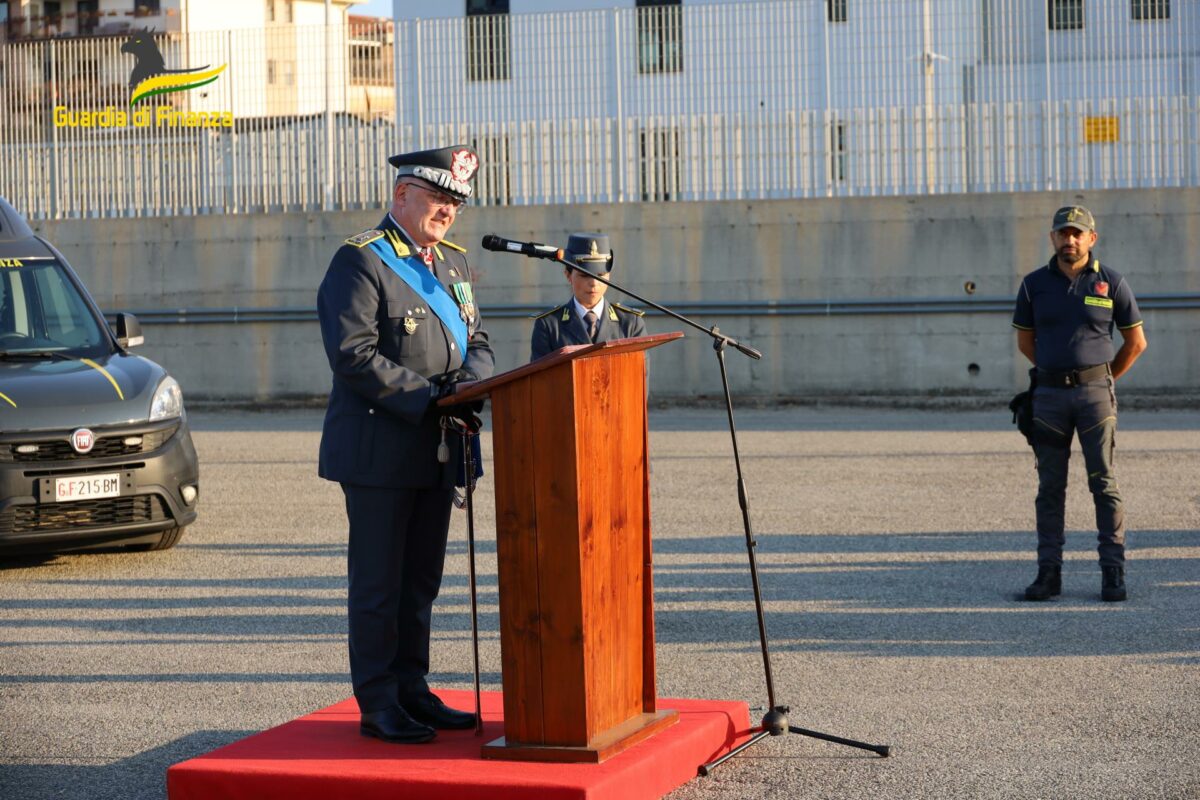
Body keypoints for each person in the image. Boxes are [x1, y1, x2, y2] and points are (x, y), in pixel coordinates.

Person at [316, 145, 495, 743]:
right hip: (381, 451)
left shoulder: (453, 264)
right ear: (402, 194)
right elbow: (353, 355)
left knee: (420, 582)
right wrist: (434, 398)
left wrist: (470, 385)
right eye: (438, 197)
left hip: (438, 449)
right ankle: (378, 701)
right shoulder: (361, 260)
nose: (447, 211)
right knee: (378, 586)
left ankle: (412, 688)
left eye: (455, 203)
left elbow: (478, 340)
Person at [1012, 206, 1147, 602]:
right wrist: (1056, 373)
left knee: (1103, 483)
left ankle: (1112, 573)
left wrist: (1101, 378)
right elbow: (1026, 342)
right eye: (1063, 233)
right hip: (1049, 399)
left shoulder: (1112, 282)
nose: (1069, 240)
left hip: (1095, 398)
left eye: (1077, 233)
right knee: (1050, 487)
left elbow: (1136, 343)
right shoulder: (1033, 285)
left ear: (1092, 238)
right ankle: (1048, 574)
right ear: (1052, 238)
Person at [529, 233, 646, 361]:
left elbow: (639, 371)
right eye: (584, 275)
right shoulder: (549, 325)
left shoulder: (630, 323)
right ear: (568, 275)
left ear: (609, 275)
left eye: (600, 275)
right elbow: (541, 373)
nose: (594, 283)